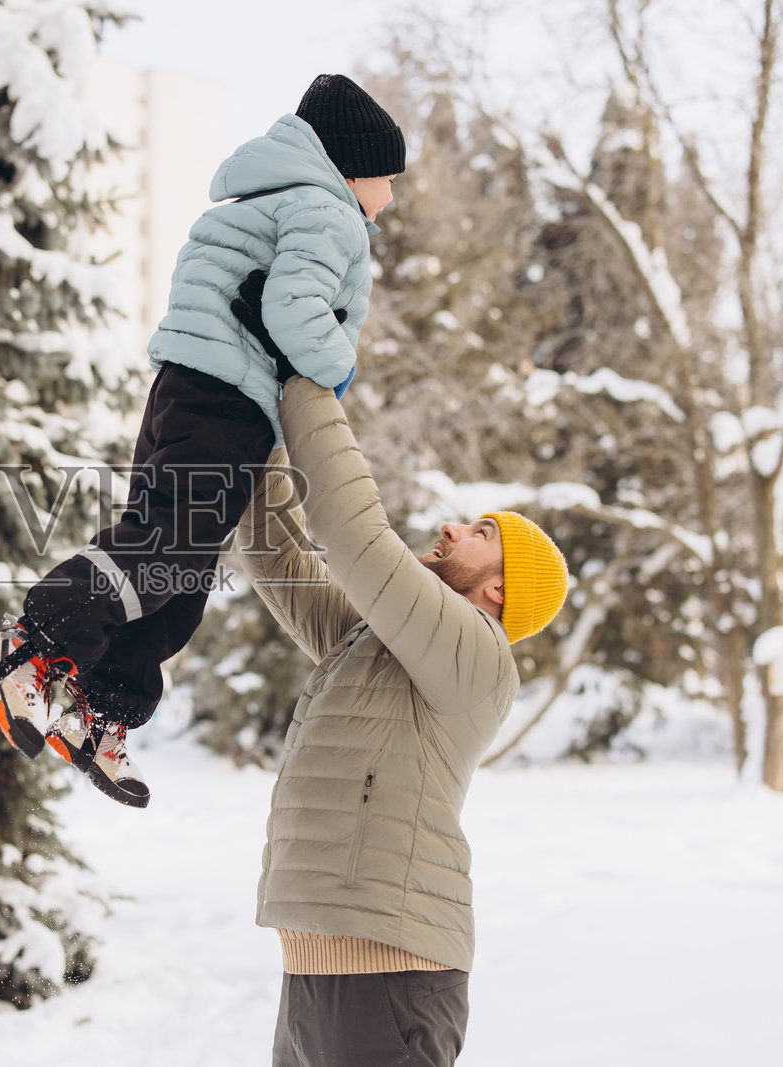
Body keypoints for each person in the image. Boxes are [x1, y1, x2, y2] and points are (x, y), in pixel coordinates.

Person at [0, 75, 406, 808]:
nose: (389, 195)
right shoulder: (329, 213)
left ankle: (99, 706)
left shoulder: (253, 203)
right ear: (354, 165)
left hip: (187, 392)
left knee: (180, 571)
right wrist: (337, 368)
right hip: (224, 401)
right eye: (388, 178)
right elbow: (292, 308)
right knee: (166, 547)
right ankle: (28, 644)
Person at [235, 366, 568, 1063]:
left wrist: (304, 377)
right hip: (317, 973)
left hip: (394, 975)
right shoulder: (372, 638)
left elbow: (353, 533)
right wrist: (249, 404)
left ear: (501, 588)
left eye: (479, 531)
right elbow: (274, 548)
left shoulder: (477, 656)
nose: (450, 527)